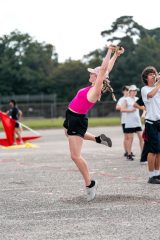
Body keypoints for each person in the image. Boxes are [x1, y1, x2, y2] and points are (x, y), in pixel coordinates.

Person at [63, 45, 124, 201]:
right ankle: (98, 139)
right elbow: (107, 69)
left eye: (93, 73)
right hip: (71, 116)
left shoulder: (96, 89)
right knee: (68, 134)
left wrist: (109, 50)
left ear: (98, 77)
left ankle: (90, 184)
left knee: (75, 156)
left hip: (77, 120)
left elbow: (103, 70)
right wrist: (116, 55)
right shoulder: (94, 85)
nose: (90, 73)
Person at [141, 66, 160, 184]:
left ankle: (157, 174)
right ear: (146, 77)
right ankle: (151, 175)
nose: (153, 75)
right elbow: (151, 95)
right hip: (151, 123)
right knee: (153, 150)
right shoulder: (145, 89)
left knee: (159, 151)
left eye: (154, 73)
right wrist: (158, 84)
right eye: (150, 74)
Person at [120, 85, 144, 160]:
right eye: (133, 91)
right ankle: (129, 154)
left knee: (141, 137)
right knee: (130, 138)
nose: (135, 92)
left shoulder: (137, 99)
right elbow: (122, 109)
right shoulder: (126, 99)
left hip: (137, 121)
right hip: (129, 122)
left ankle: (143, 154)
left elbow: (143, 108)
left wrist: (143, 114)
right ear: (130, 92)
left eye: (135, 91)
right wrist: (130, 110)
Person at [133, 97, 148, 164]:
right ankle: (144, 158)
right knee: (148, 140)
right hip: (151, 121)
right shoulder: (148, 92)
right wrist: (144, 110)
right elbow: (135, 104)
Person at [116, 85, 129, 157]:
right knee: (126, 136)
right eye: (126, 90)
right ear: (123, 91)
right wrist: (124, 106)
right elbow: (117, 107)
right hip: (125, 120)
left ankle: (129, 150)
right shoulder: (122, 99)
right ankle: (126, 151)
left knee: (130, 137)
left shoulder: (132, 98)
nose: (127, 92)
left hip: (132, 121)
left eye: (128, 90)